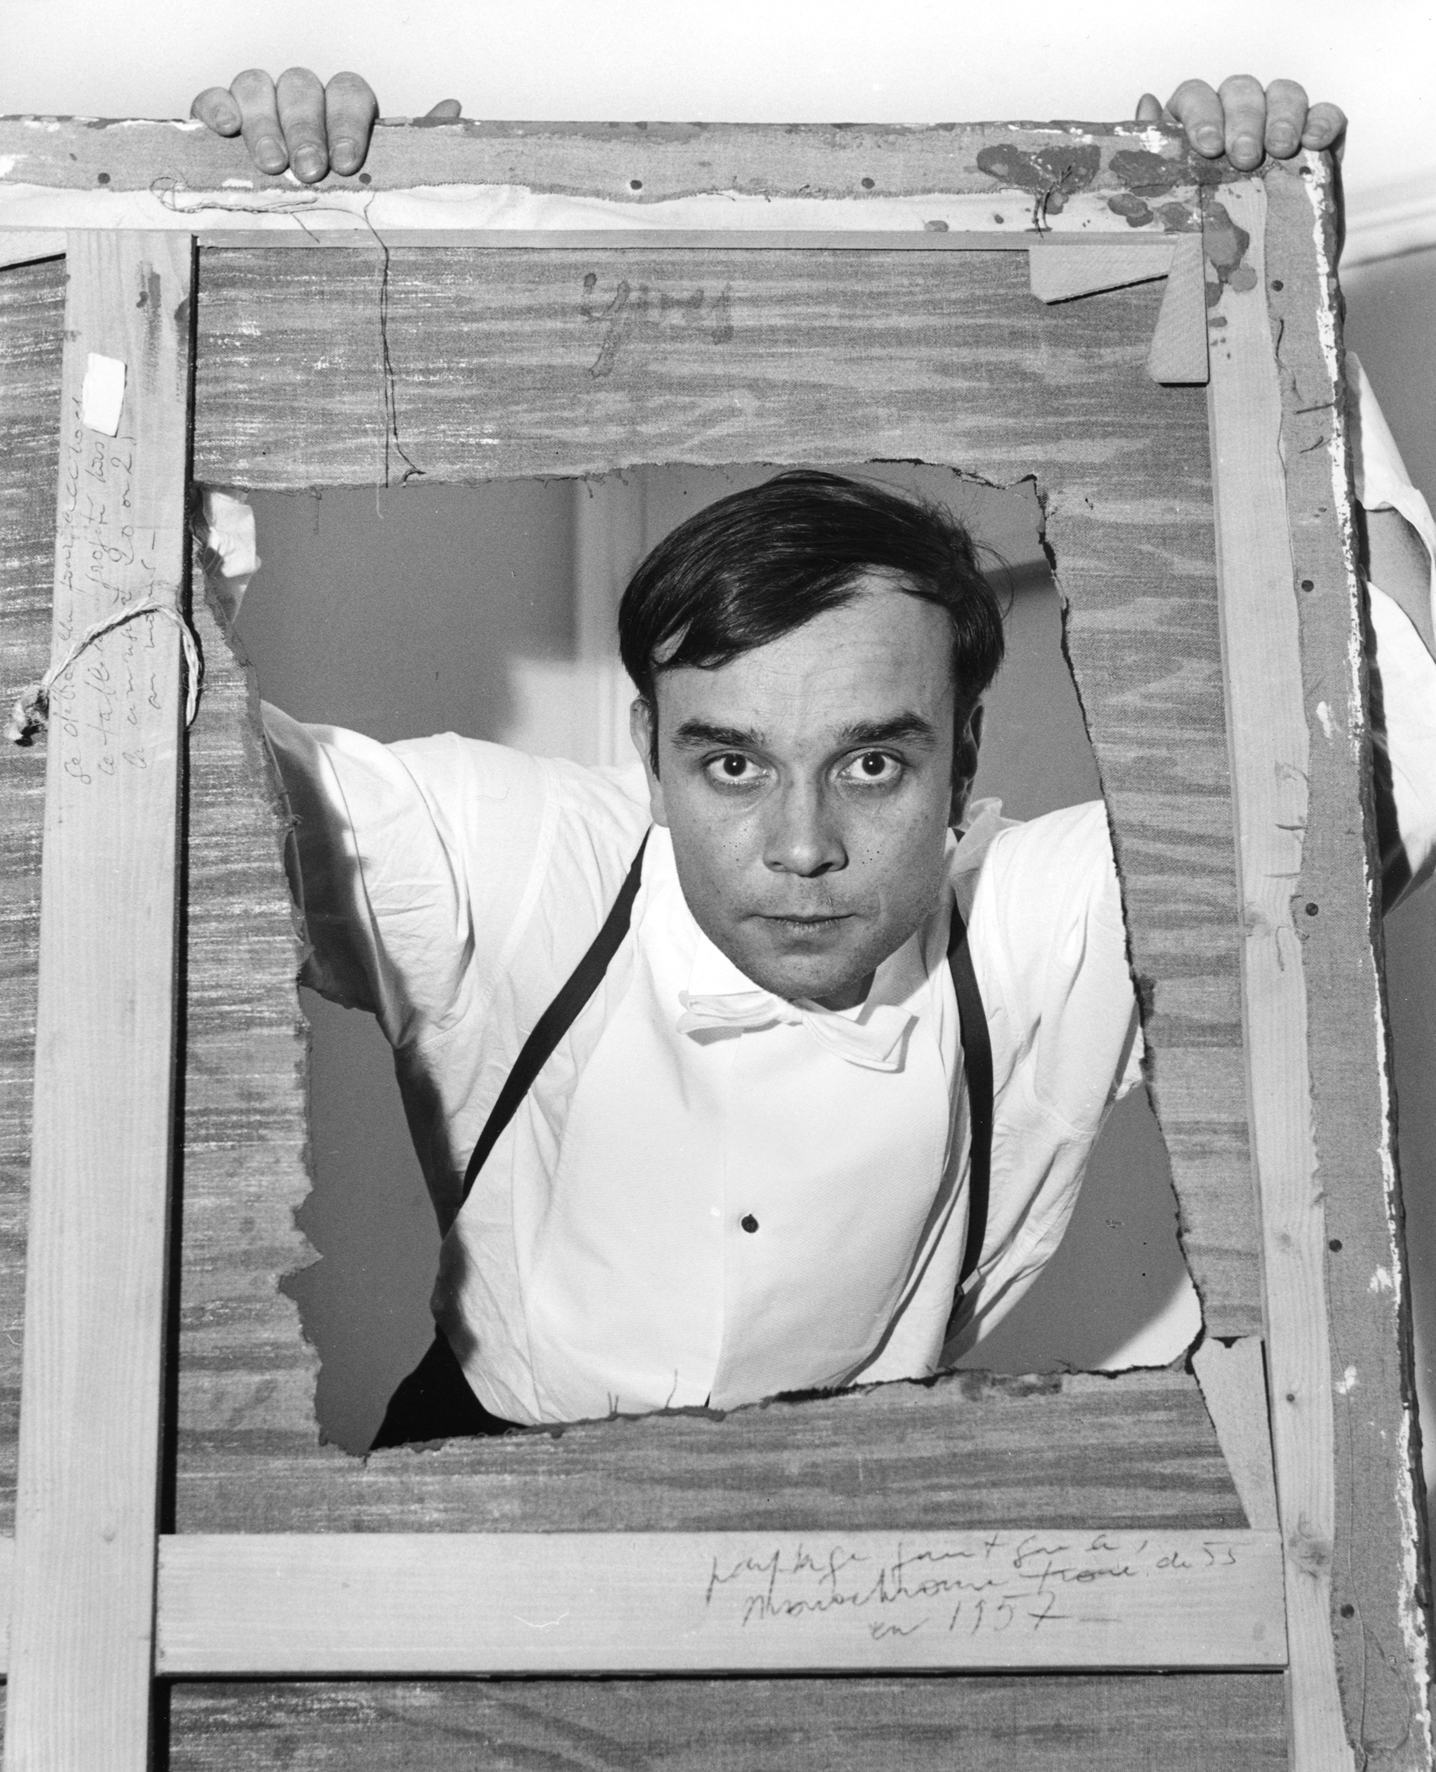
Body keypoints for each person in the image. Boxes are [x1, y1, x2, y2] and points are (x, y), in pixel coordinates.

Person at [194, 72, 1436, 1445]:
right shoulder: (509, 859)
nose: (801, 851)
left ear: (963, 756)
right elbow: (160, 773)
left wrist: (1264, 273)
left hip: (848, 1522)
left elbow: (1401, 743)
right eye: (732, 767)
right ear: (647, 751)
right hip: (468, 1483)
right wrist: (262, 225)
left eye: (870, 767)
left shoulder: (1048, 940)